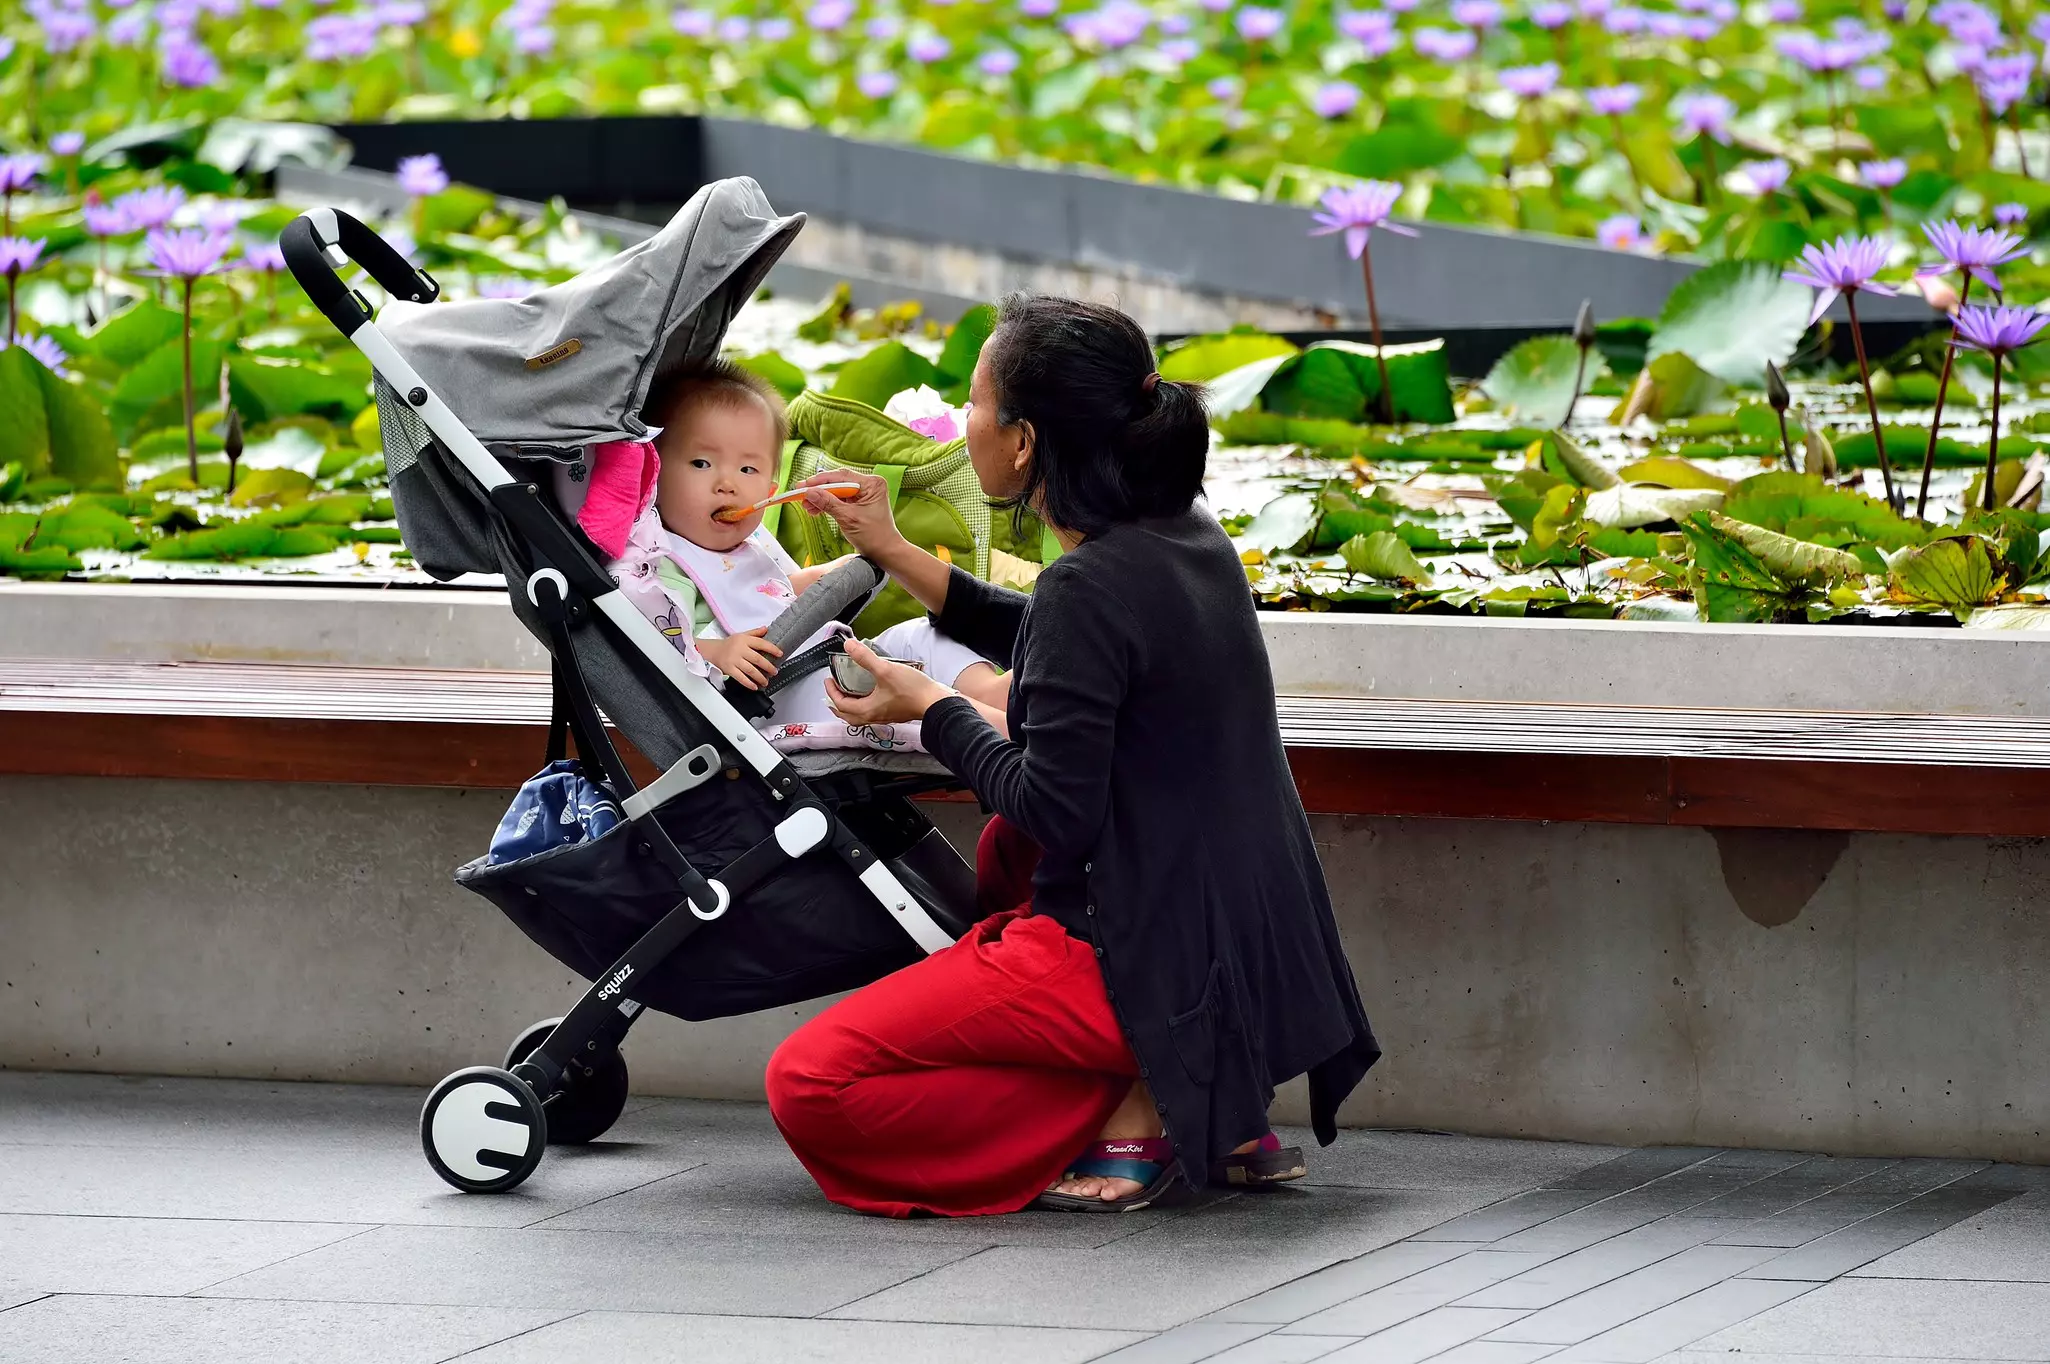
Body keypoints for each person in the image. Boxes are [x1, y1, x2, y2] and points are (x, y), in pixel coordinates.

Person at [762, 294, 1380, 1215]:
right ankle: (1211, 1101)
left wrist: (930, 705)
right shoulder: (1187, 539)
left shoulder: (1088, 586)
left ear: (1022, 444)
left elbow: (1055, 806)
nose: (962, 418)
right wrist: (892, 551)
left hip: (1140, 951)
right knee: (1004, 859)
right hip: (1234, 939)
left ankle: (1152, 1103)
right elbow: (1055, 635)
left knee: (809, 1083)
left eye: (975, 402)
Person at [583, 359, 1007, 752]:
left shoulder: (751, 545)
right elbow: (650, 646)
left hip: (835, 663)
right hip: (792, 701)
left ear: (770, 492)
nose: (727, 483)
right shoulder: (660, 564)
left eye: (747, 470)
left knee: (922, 637)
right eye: (701, 462)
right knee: (907, 692)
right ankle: (988, 725)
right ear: (654, 472)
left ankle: (1000, 700)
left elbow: (778, 593)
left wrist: (844, 569)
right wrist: (718, 652)